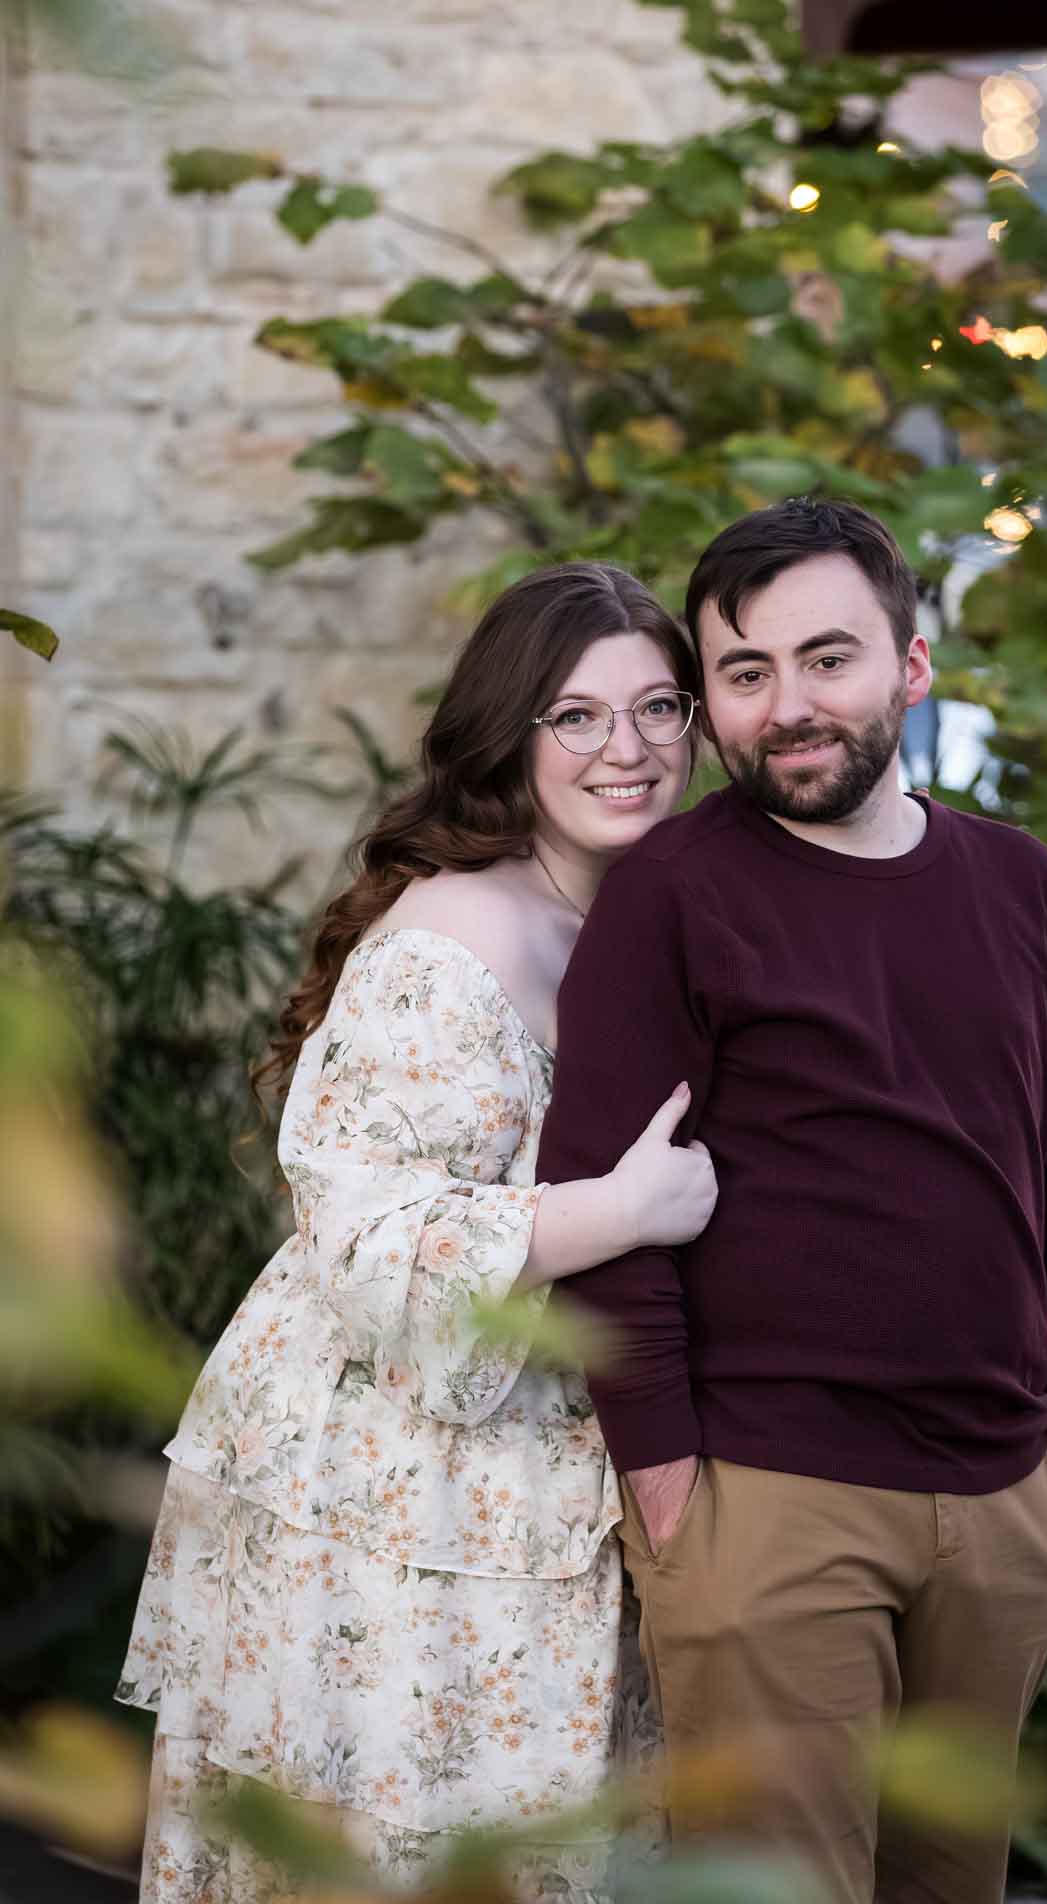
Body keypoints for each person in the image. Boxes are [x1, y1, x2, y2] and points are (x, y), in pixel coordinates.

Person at [116, 561, 717, 1904]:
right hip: (399, 1491)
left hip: (563, 1468)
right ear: (511, 734)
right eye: (575, 716)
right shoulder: (454, 939)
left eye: (658, 707)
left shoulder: (639, 911)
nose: (627, 750)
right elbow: (367, 1238)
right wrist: (616, 1212)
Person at [537, 499, 1047, 1904]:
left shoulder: (1022, 887)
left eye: (826, 659)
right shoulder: (672, 889)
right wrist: (666, 1480)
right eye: (744, 673)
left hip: (998, 1494)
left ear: (910, 667)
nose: (787, 707)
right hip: (769, 1496)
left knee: (949, 1881)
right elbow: (602, 1196)